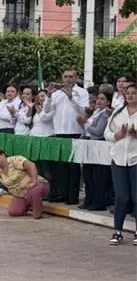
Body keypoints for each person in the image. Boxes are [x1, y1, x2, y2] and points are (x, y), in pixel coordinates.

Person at [44, 70, 89, 204]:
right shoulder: (57, 94)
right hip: (59, 131)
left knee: (73, 167)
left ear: (75, 78)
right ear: (62, 78)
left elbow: (84, 111)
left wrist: (71, 98)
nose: (68, 79)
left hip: (74, 131)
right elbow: (46, 110)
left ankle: (72, 197)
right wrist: (49, 96)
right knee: (61, 166)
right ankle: (62, 194)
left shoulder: (81, 92)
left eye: (71, 77)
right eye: (65, 77)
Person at [105, 83, 137, 245]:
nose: (130, 96)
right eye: (128, 93)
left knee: (136, 197)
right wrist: (117, 135)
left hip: (135, 160)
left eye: (134, 93)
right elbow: (107, 133)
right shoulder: (118, 113)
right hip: (118, 160)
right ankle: (117, 231)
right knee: (122, 197)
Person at [0, 150, 49, 218]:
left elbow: (32, 166)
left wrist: (33, 182)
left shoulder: (15, 160)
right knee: (13, 211)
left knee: (34, 191)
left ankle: (38, 213)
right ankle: (30, 203)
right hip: (20, 194)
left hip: (36, 185)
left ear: (3, 155)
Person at [78, 89, 112, 211]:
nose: (98, 101)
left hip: (99, 144)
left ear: (108, 102)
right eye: (98, 98)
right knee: (88, 175)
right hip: (88, 143)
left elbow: (98, 132)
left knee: (98, 177)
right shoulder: (95, 112)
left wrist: (85, 124)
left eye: (102, 99)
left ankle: (99, 202)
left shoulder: (104, 114)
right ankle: (89, 199)